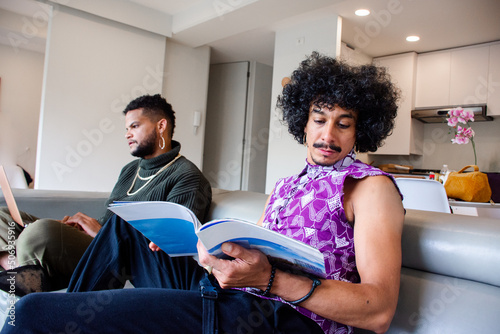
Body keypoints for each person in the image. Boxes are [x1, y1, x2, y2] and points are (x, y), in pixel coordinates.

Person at [1, 52, 404, 334]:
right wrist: (217, 255)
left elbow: (380, 312)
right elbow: (260, 262)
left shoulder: (371, 188)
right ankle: (71, 309)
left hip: (279, 320)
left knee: (31, 313)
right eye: (319, 119)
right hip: (227, 296)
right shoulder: (287, 185)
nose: (328, 135)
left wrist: (269, 279)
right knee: (127, 226)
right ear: (304, 122)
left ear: (361, 129)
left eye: (343, 124)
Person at [0, 94, 212, 296]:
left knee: (41, 233)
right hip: (97, 240)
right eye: (126, 128)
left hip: (119, 254)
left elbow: (170, 250)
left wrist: (101, 231)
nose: (127, 134)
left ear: (161, 126)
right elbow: (108, 218)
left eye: (135, 126)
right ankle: (14, 267)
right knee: (3, 215)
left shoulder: (187, 176)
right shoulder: (130, 170)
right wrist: (79, 228)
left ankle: (26, 276)